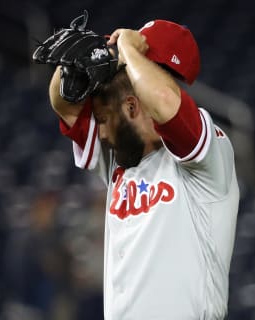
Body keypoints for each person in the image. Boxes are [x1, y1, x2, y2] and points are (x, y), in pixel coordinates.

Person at [46, 19, 239, 319]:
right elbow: (64, 105)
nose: (102, 131)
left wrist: (127, 49)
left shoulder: (208, 152)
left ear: (134, 102)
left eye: (127, 68)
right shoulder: (120, 152)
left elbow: (164, 101)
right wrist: (74, 66)